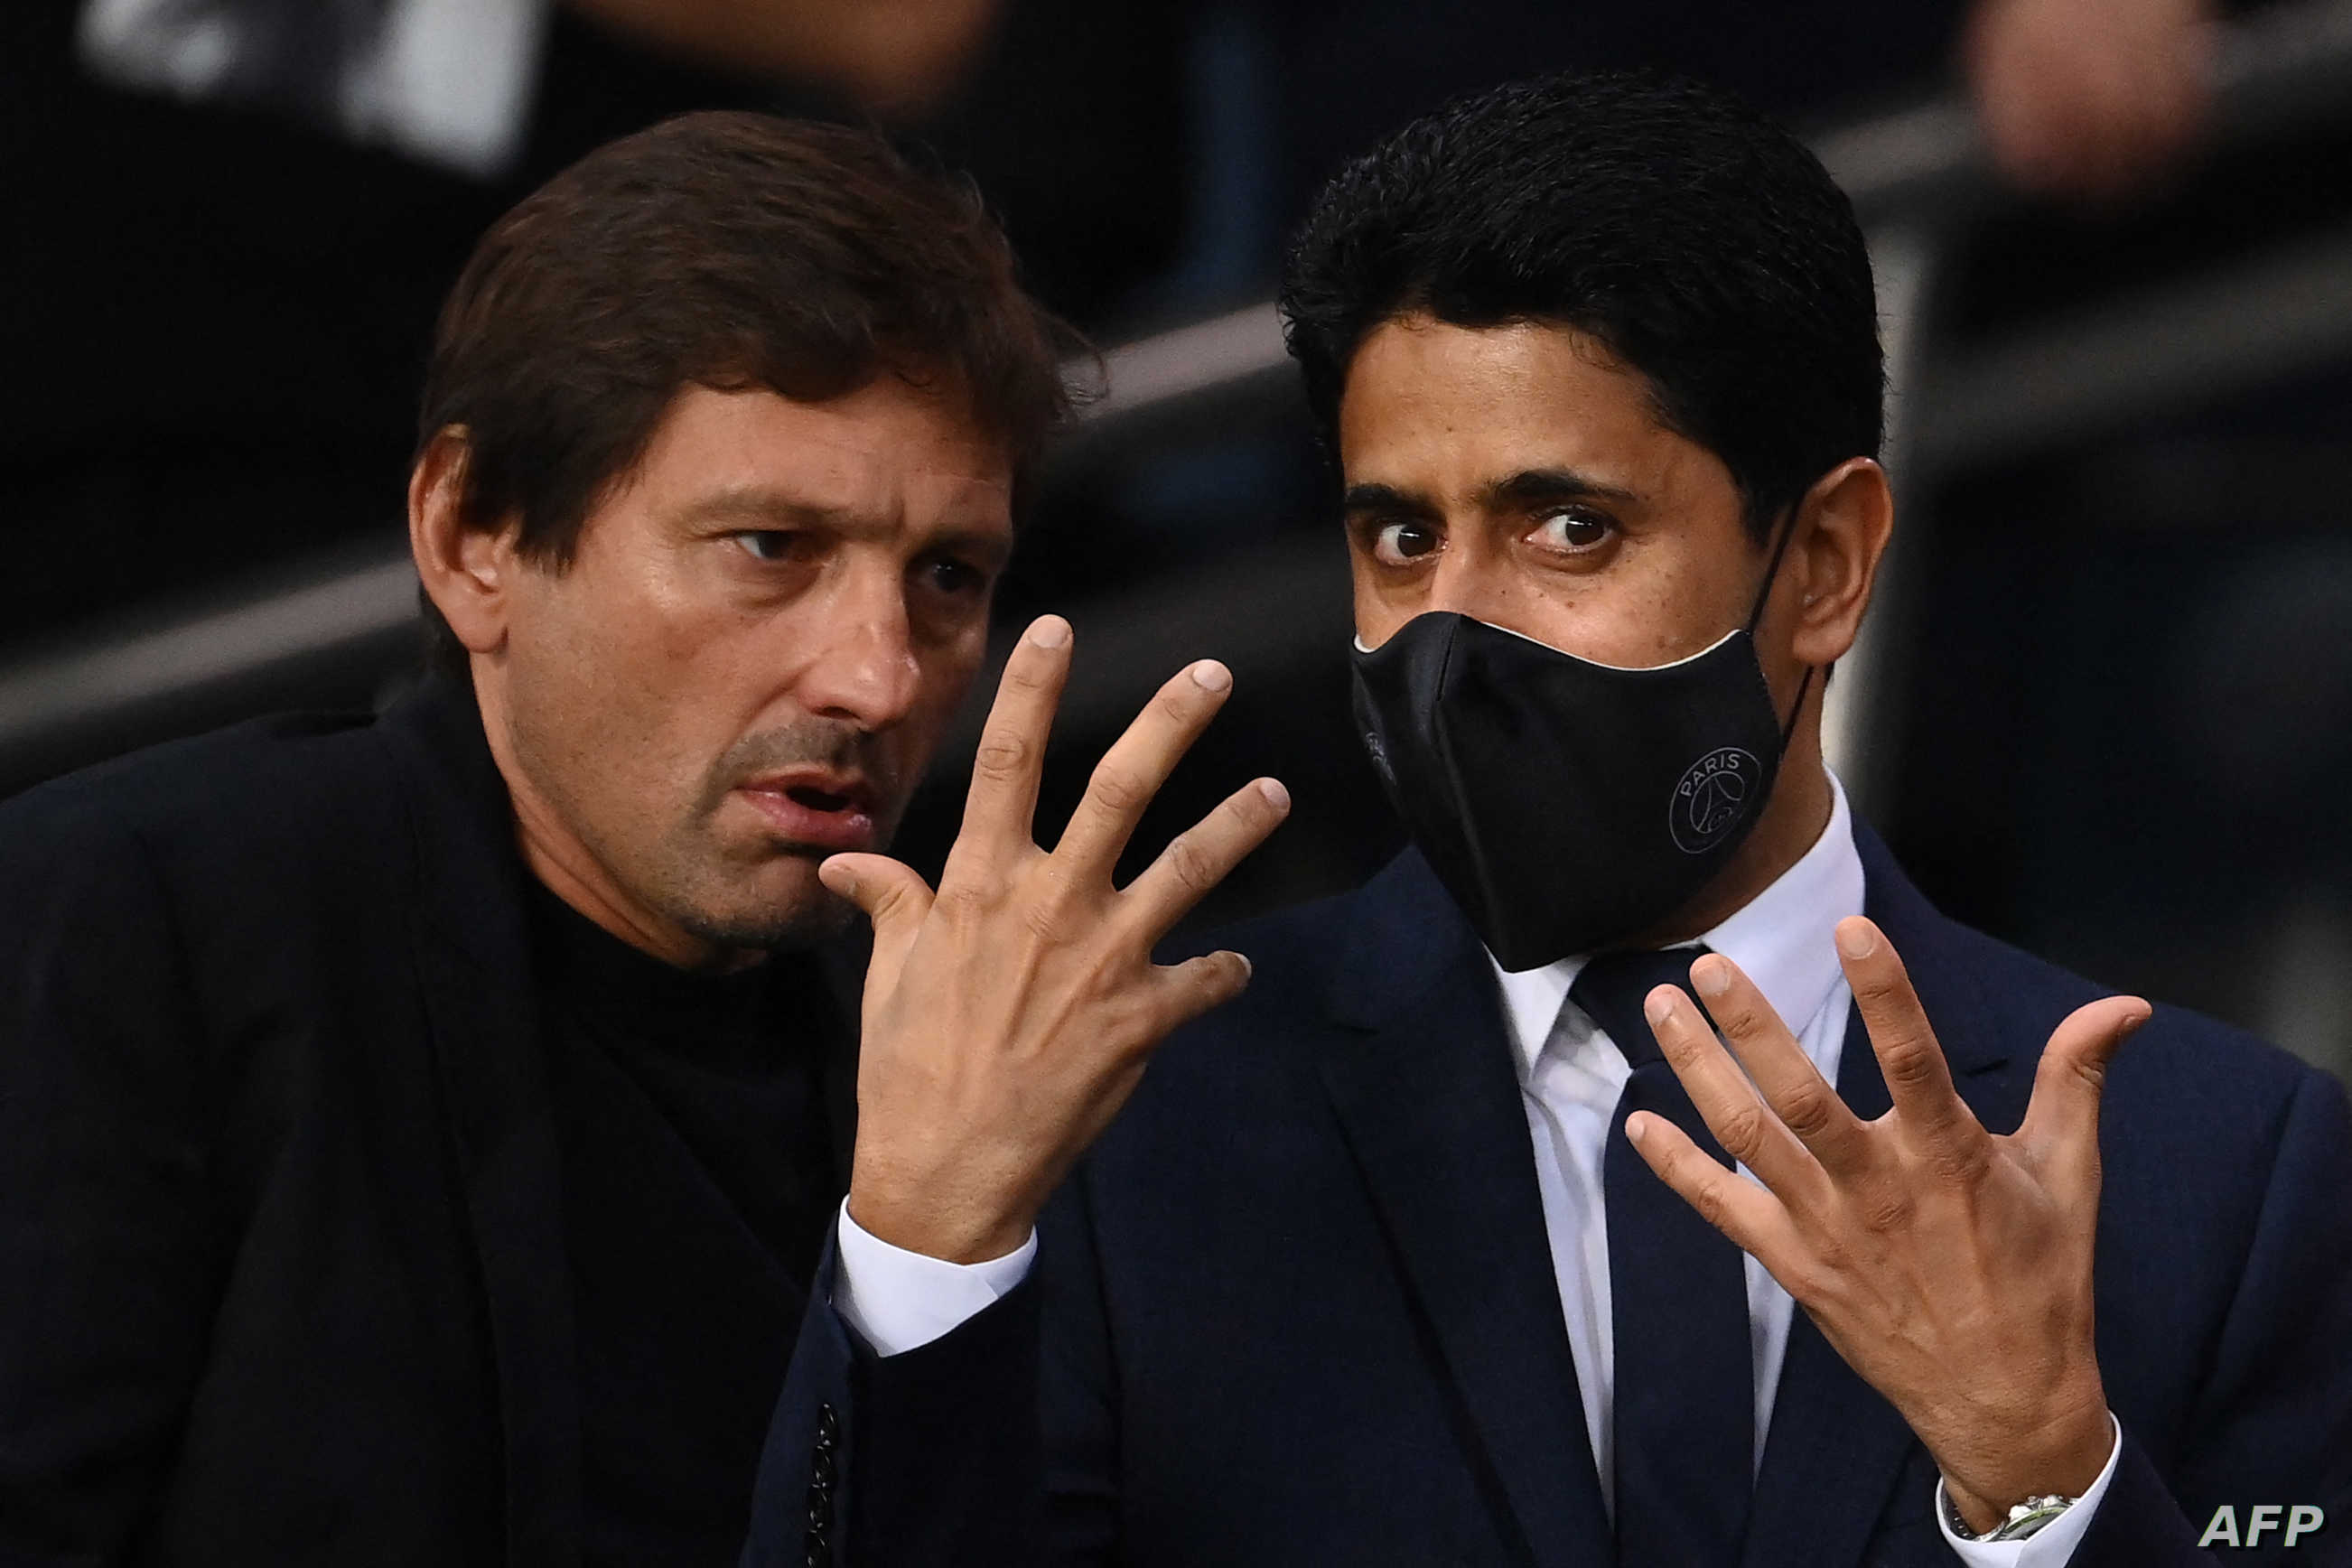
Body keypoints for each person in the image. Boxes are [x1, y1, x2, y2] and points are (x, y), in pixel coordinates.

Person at [744, 74, 2352, 1566]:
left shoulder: (2219, 1172)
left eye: (1570, 528)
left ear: (1824, 566)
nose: (1454, 640)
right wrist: (925, 1254)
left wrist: (2042, 1480)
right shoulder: (1123, 1130)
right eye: (1399, 538)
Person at [0, 110, 1286, 1565]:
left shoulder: (1023, 1093)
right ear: (474, 537)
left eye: (946, 575)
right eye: (771, 548)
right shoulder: (128, 929)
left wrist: (928, 1254)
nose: (877, 677)